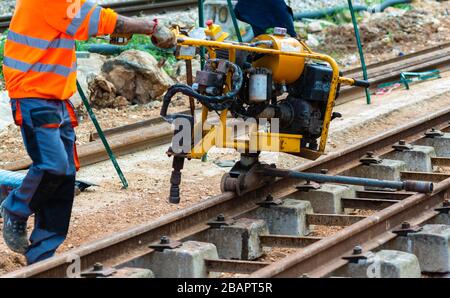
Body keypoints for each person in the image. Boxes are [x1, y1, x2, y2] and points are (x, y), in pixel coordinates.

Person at [1, 0, 176, 265]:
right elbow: (98, 20)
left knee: (66, 173)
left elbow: (91, 18)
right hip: (33, 95)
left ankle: (41, 254)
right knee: (53, 166)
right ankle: (15, 209)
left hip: (55, 96)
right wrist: (149, 26)